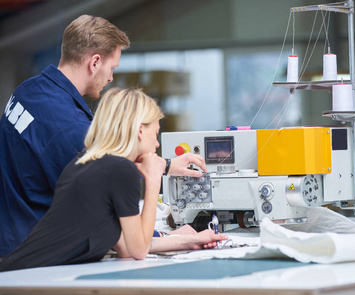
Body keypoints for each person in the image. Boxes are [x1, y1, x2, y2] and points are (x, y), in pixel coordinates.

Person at [0, 88, 228, 272]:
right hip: (28, 281)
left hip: (23, 271)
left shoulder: (88, 163)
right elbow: (138, 251)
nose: (157, 144)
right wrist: (152, 180)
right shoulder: (120, 170)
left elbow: (126, 247)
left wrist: (193, 240)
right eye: (155, 134)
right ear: (140, 130)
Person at [0, 15, 130, 257]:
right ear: (95, 62)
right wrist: (169, 237)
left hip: (10, 234)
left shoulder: (28, 90)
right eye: (112, 68)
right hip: (33, 256)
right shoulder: (70, 127)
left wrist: (163, 166)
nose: (111, 78)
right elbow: (108, 225)